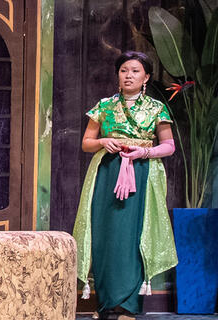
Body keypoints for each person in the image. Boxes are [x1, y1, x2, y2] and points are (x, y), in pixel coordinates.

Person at [73, 51, 177, 320]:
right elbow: (86, 142)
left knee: (134, 236)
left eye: (135, 71)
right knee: (105, 235)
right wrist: (102, 143)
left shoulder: (156, 108)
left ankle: (128, 306)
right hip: (107, 172)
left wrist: (144, 153)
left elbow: (168, 146)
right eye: (123, 70)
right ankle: (105, 303)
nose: (128, 75)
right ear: (117, 76)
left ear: (146, 77)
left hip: (141, 174)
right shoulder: (104, 106)